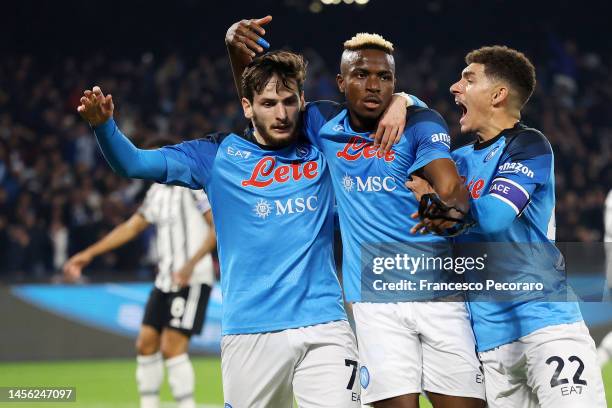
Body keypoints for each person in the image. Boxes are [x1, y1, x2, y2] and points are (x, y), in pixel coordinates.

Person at [74, 49, 407, 407]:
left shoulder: (321, 145)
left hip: (324, 325)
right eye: (268, 103)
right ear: (247, 107)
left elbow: (374, 108)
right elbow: (133, 163)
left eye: (288, 102)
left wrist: (403, 100)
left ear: (302, 101)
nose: (281, 114)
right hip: (250, 332)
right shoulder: (215, 156)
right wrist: (103, 127)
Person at [226, 21, 485, 408]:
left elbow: (450, 185)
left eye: (385, 78)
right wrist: (235, 52)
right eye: (361, 75)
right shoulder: (321, 125)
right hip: (375, 303)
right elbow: (264, 105)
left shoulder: (420, 122)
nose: (374, 85)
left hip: (439, 297)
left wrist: (450, 211)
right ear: (341, 82)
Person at [408, 45, 607, 407]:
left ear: (498, 95)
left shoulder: (529, 146)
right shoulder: (456, 161)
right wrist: (402, 101)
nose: (454, 87)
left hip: (547, 325)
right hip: (491, 344)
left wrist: (439, 206)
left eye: (468, 79)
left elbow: (496, 220)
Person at [64, 138, 217, 408]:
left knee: (172, 347)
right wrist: (89, 253)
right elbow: (130, 227)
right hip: (165, 280)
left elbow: (216, 229)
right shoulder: (156, 192)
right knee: (145, 344)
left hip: (191, 279)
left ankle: (187, 405)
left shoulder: (194, 187)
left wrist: (190, 264)